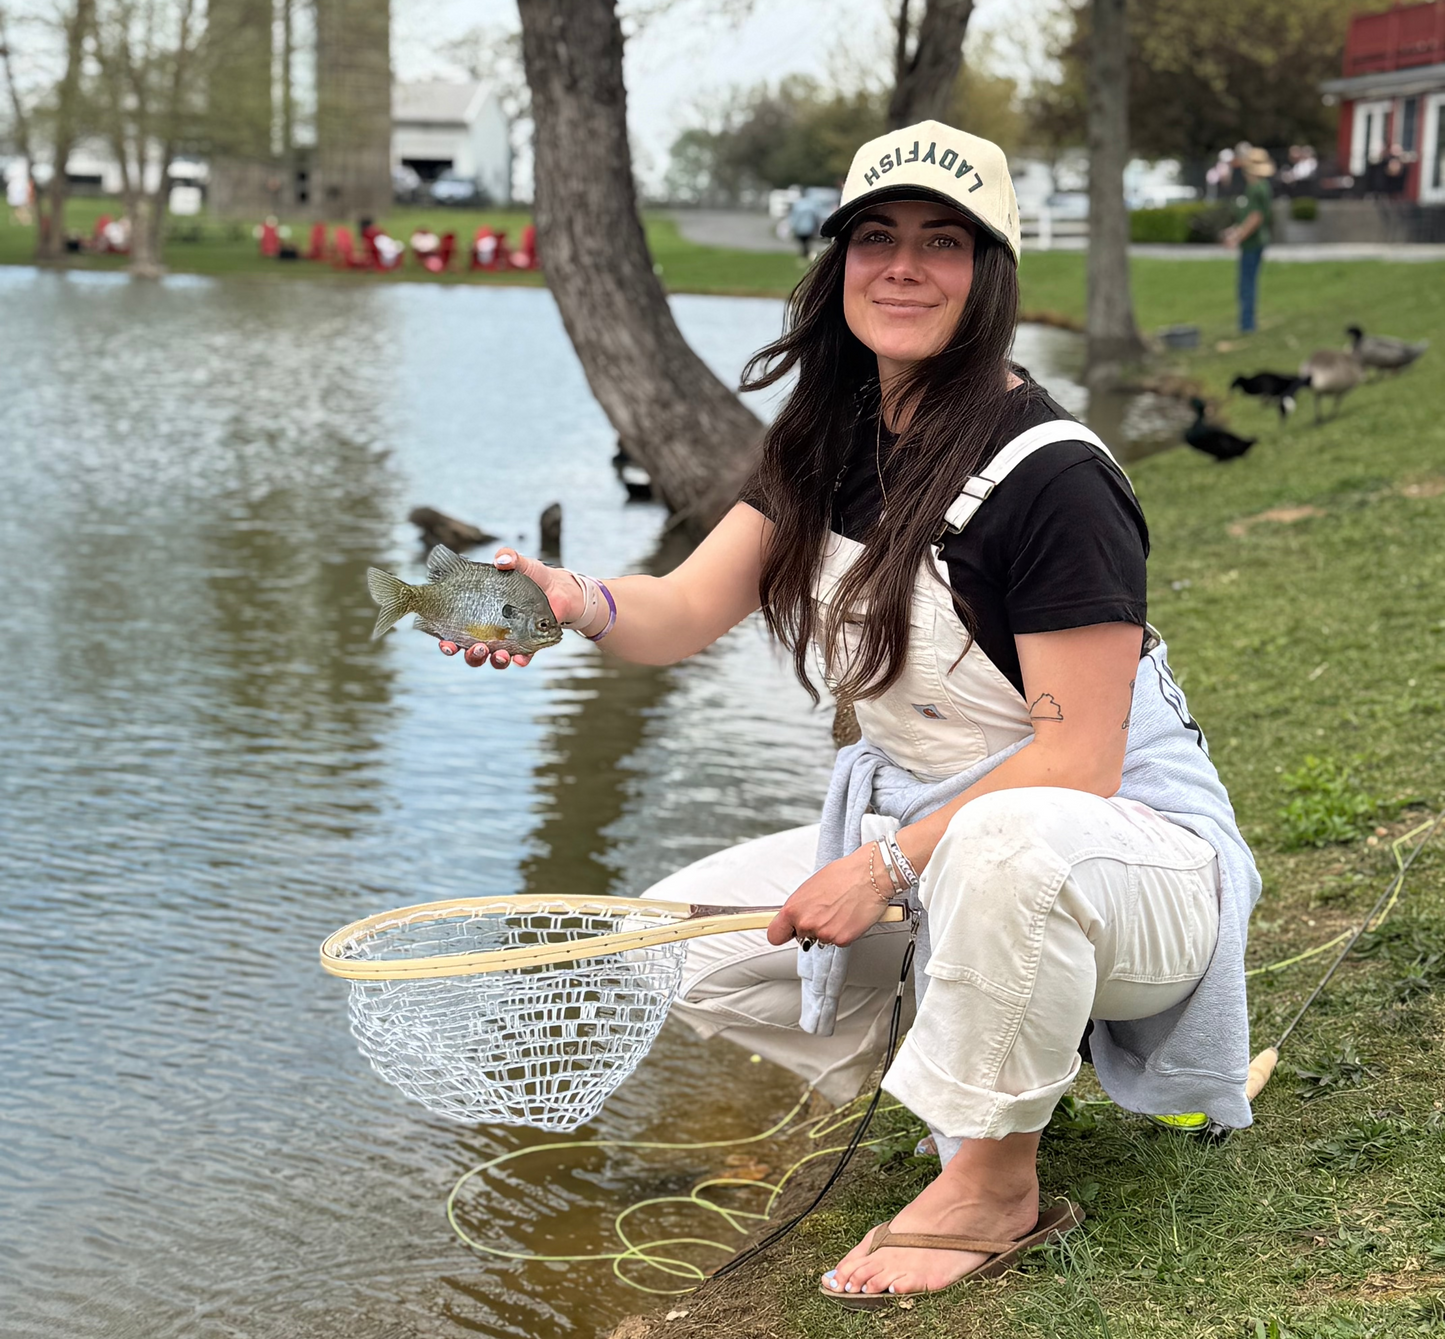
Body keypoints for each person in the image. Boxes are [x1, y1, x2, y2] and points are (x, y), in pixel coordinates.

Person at [439, 119, 1259, 1303]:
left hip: (1131, 867)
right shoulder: (826, 441)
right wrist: (573, 599)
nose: (902, 267)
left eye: (943, 241)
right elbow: (673, 611)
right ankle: (960, 1069)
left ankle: (994, 1180)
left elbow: (1078, 761)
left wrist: (876, 866)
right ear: (835, 269)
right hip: (941, 848)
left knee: (1004, 842)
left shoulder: (1056, 478)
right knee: (691, 941)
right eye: (874, 238)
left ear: (990, 277)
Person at [1221, 146, 1274, 333]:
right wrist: (1235, 230)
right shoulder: (1258, 187)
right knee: (1246, 283)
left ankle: (1247, 325)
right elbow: (1248, 217)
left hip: (1253, 242)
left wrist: (1237, 236)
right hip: (1253, 241)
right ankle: (1246, 323)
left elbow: (1256, 217)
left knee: (1246, 284)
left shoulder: (1256, 188)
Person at [789, 191, 822, 258]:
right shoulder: (812, 205)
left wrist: (793, 226)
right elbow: (816, 217)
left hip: (800, 228)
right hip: (809, 227)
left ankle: (805, 254)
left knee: (803, 243)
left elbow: (794, 217)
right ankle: (807, 254)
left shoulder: (798, 205)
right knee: (807, 242)